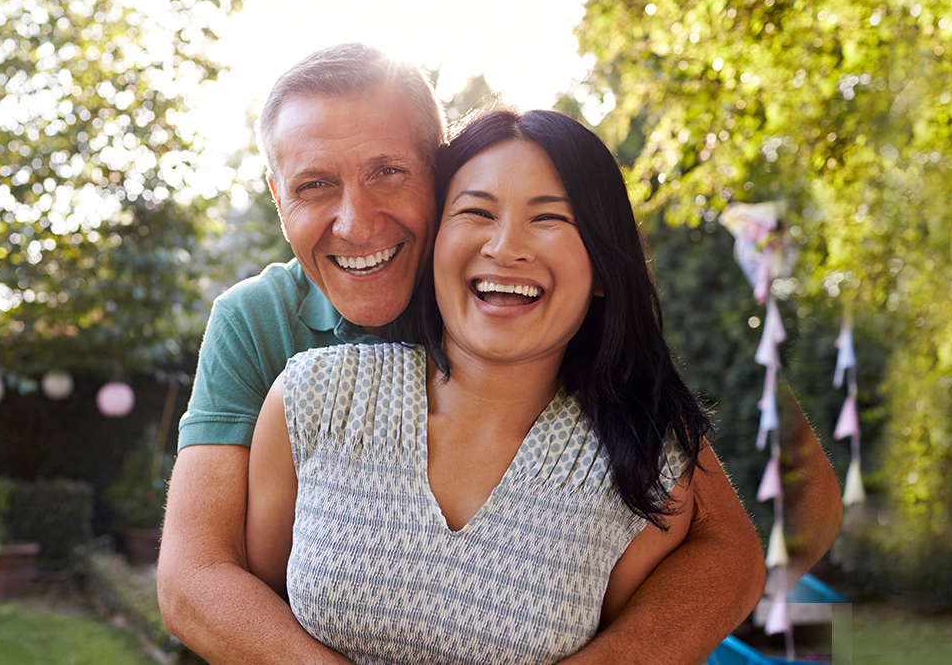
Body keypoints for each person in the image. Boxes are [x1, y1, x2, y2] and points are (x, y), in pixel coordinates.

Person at [157, 44, 768, 664]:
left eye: (387, 172)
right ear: (277, 196)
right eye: (314, 185)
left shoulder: (516, 299)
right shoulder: (265, 330)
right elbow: (195, 577)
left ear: (439, 170)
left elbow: (726, 549)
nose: (358, 223)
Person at [245, 107, 711, 663]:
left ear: (605, 270)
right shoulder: (312, 396)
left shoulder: (648, 467)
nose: (505, 247)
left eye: (549, 219)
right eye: (476, 212)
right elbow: (254, 617)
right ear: (436, 246)